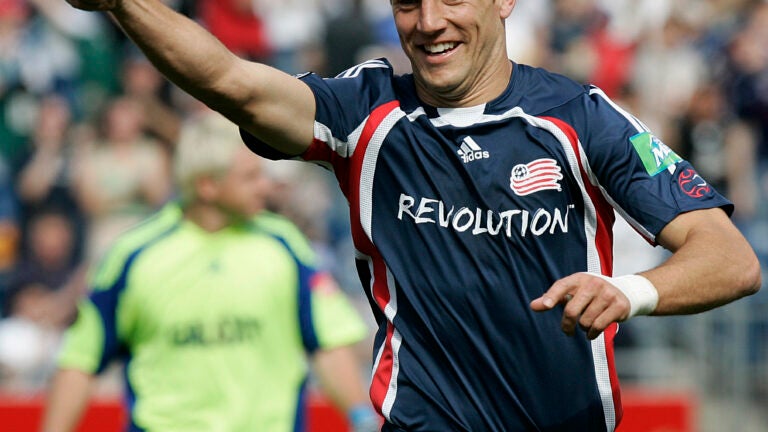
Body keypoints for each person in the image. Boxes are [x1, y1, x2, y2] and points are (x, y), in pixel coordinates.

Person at [62, 0, 763, 431]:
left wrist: (629, 292)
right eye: (407, 2)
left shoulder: (583, 118)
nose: (429, 22)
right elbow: (229, 81)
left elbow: (731, 259)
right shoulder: (364, 111)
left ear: (504, 1)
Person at [41, 112, 379, 432]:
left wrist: (361, 417)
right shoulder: (134, 256)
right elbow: (80, 361)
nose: (265, 187)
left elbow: (328, 343)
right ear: (207, 186)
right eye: (250, 177)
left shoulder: (286, 245)